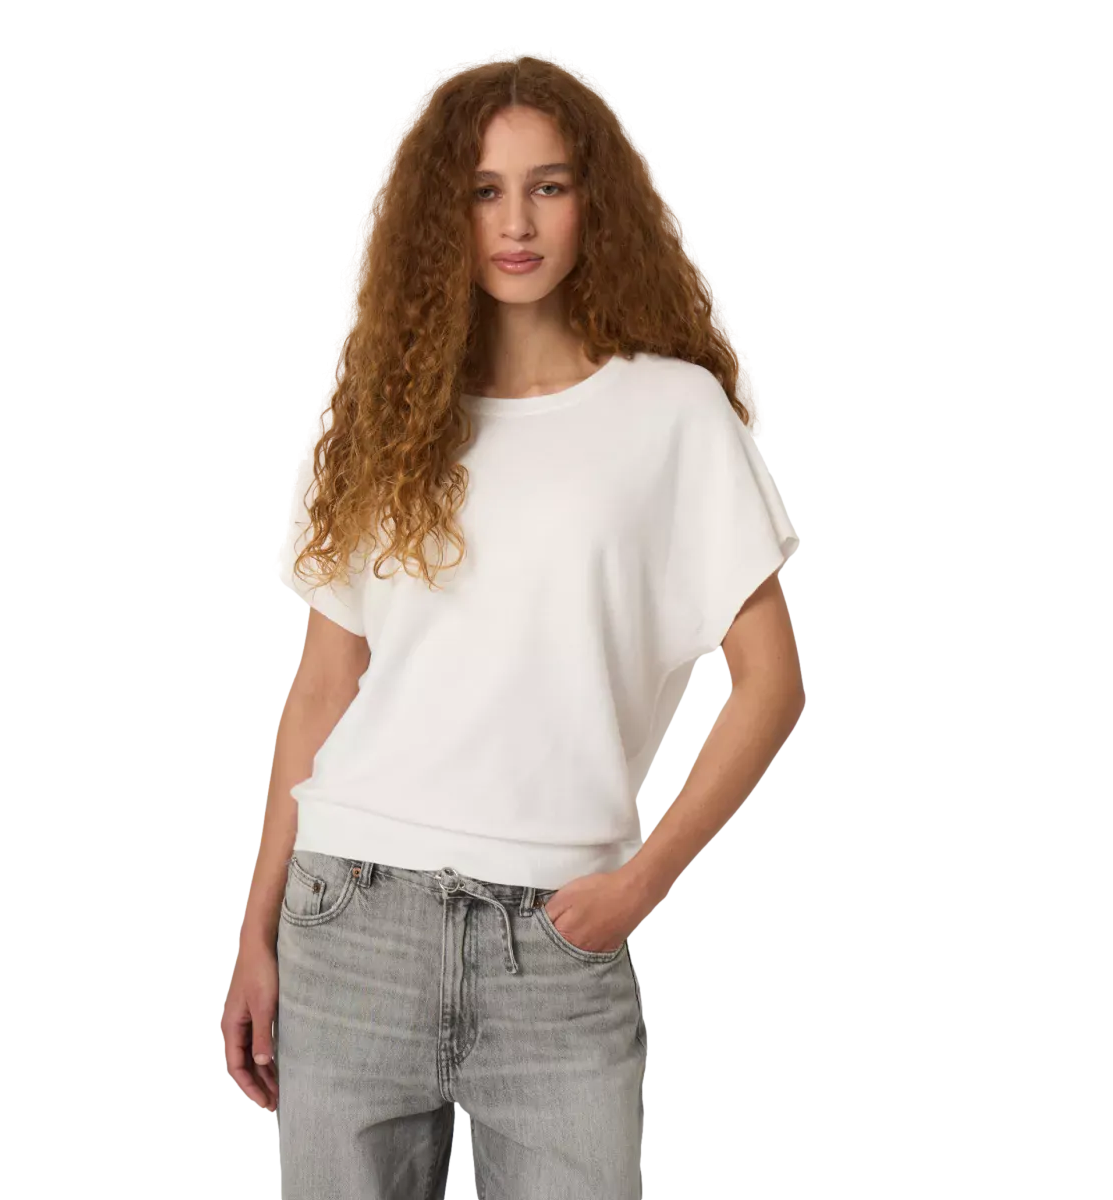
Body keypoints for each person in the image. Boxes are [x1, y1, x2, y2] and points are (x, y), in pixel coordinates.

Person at [223, 45, 803, 1200]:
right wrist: (257, 927)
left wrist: (645, 879)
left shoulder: (672, 412)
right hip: (353, 915)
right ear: (442, 215)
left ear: (596, 201)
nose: (516, 222)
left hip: (560, 941)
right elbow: (323, 687)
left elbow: (771, 682)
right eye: (484, 191)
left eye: (548, 186)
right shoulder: (379, 423)